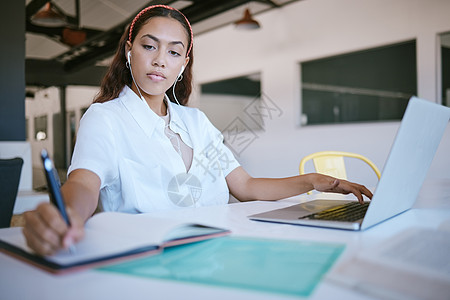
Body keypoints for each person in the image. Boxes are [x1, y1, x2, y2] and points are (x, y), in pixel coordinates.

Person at [23, 5, 373, 256]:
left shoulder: (196, 122)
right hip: (147, 259)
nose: (160, 60)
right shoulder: (105, 118)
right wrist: (67, 214)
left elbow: (246, 187)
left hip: (217, 251)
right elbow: (84, 183)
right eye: (149, 46)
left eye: (174, 52)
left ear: (184, 63)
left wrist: (312, 182)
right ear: (129, 52)